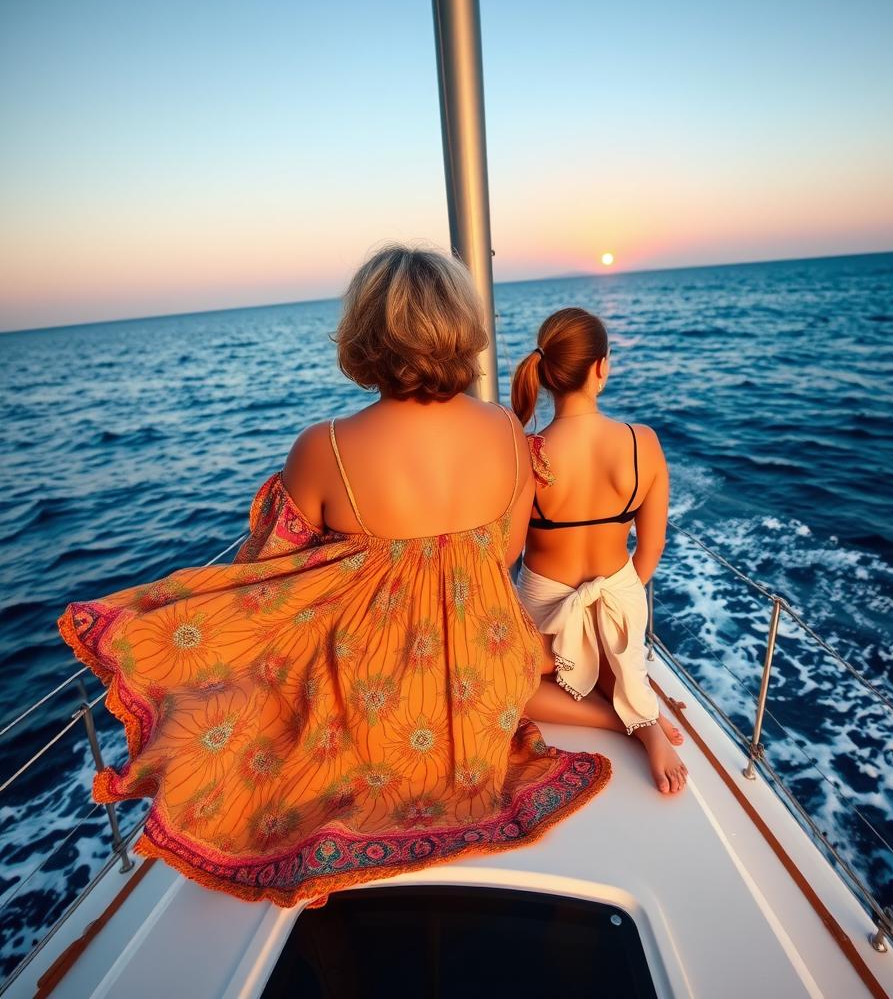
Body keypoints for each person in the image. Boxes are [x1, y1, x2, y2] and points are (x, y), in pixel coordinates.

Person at [58, 246, 610, 907]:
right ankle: (619, 716)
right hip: (487, 682)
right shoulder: (509, 433)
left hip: (375, 704)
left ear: (365, 337)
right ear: (462, 326)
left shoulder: (324, 449)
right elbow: (502, 555)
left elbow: (271, 584)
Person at [510, 307, 687, 795]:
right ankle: (634, 720)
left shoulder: (528, 452)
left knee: (505, 687)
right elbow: (652, 548)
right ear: (601, 367)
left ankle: (610, 719)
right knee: (610, 656)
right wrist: (619, 599)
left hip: (546, 606)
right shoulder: (641, 442)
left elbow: (505, 553)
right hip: (620, 597)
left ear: (546, 374)